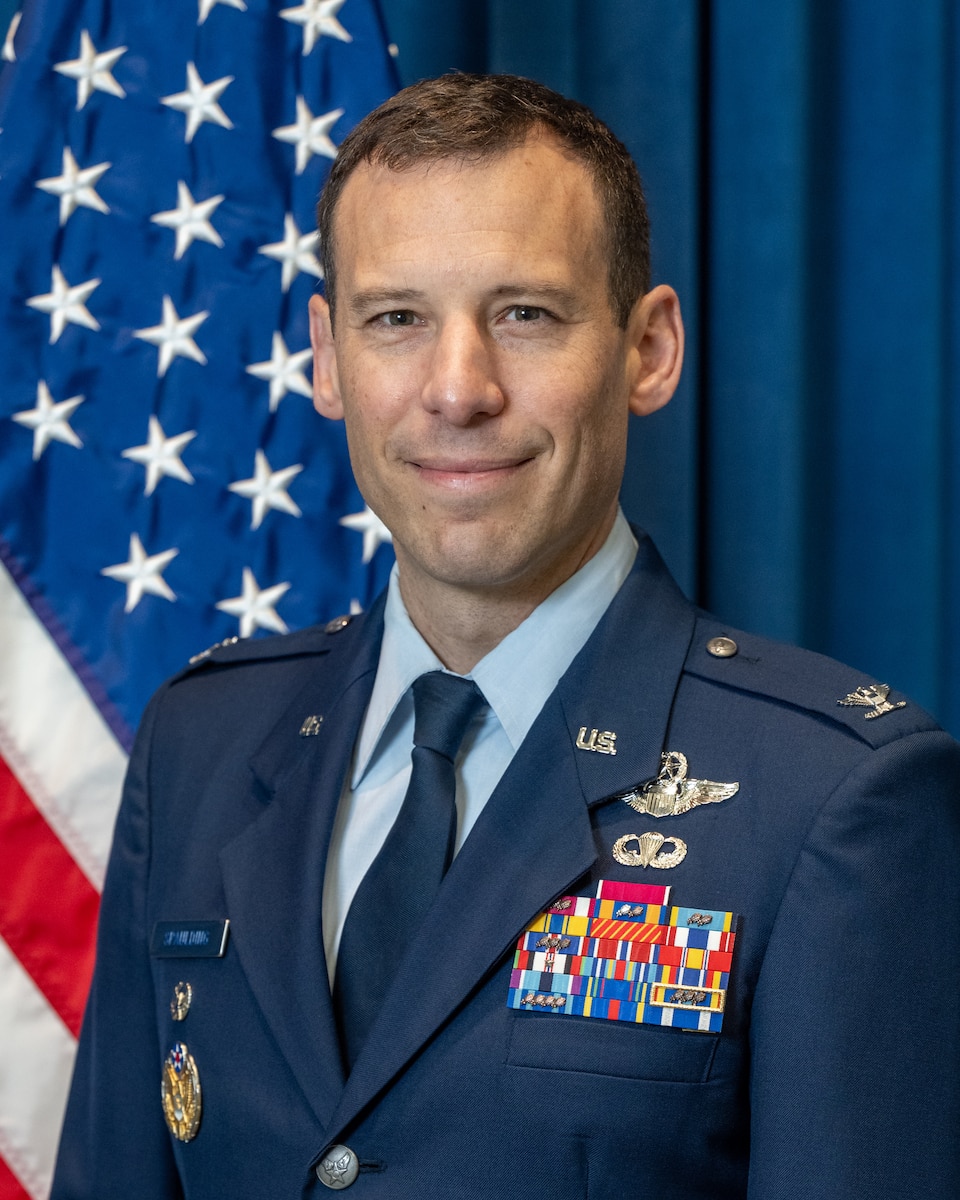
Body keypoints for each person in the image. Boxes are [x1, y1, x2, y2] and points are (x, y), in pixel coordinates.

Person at [52, 73, 960, 1199]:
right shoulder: (204, 745)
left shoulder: (835, 800)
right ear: (327, 359)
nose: (457, 389)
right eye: (397, 320)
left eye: (525, 314)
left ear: (648, 349)